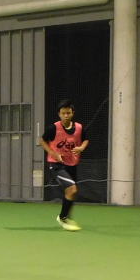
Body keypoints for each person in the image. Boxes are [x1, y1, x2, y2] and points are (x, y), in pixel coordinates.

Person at [40, 99, 89, 231]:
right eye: (63, 113)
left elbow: (85, 139)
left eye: (68, 113)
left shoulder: (79, 128)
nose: (66, 115)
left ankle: (66, 217)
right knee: (72, 189)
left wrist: (81, 148)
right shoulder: (53, 128)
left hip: (72, 164)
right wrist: (53, 153)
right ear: (59, 114)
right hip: (56, 164)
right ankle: (62, 218)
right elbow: (42, 141)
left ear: (72, 113)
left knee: (71, 192)